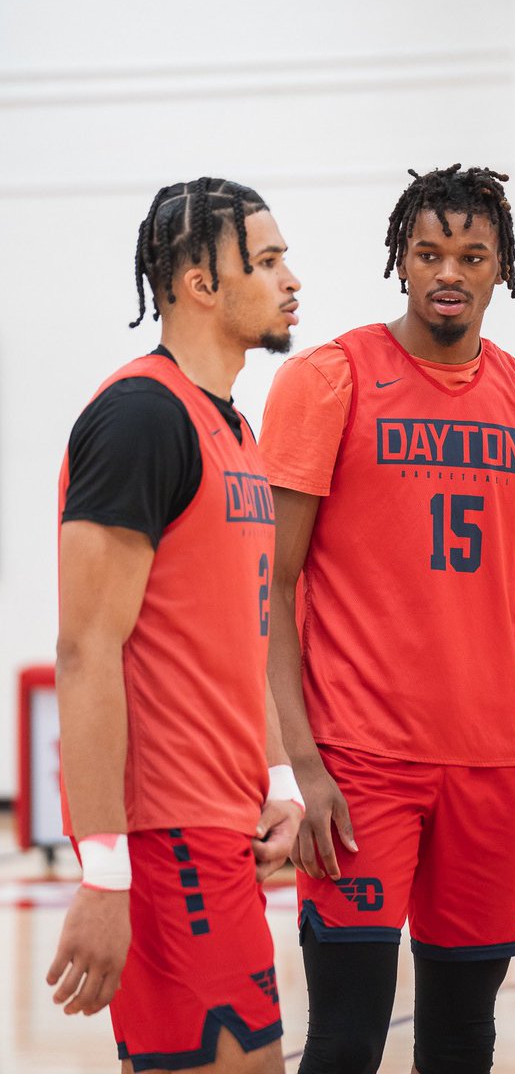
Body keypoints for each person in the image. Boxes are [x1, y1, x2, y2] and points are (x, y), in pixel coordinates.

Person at [259, 164, 515, 1074]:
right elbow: (269, 586)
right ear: (402, 262)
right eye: (428, 253)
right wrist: (301, 766)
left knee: (463, 1041)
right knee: (344, 1039)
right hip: (359, 763)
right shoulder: (329, 380)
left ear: (503, 267)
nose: (448, 271)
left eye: (471, 254)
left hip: (487, 763)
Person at [47, 177, 304, 1074]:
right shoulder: (140, 420)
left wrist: (278, 777)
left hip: (221, 829)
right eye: (266, 261)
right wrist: (106, 871)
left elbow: (239, 632)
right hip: (166, 842)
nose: (290, 279)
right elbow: (85, 652)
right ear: (200, 282)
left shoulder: (232, 428)